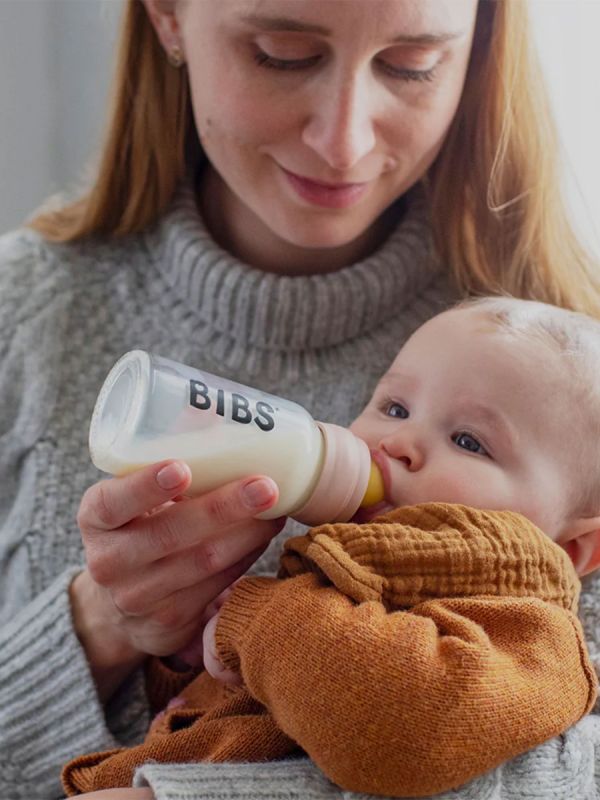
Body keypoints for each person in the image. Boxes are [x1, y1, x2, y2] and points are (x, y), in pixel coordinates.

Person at [1, 1, 600, 799]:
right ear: (169, 17)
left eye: (411, 63)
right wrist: (109, 630)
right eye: (282, 54)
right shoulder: (21, 316)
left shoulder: (573, 389)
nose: (343, 141)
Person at [61, 297, 600, 797]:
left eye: (467, 441)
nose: (397, 443)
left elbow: (404, 730)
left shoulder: (530, 636)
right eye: (393, 406)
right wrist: (186, 658)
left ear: (576, 550)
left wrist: (256, 617)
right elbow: (242, 727)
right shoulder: (335, 574)